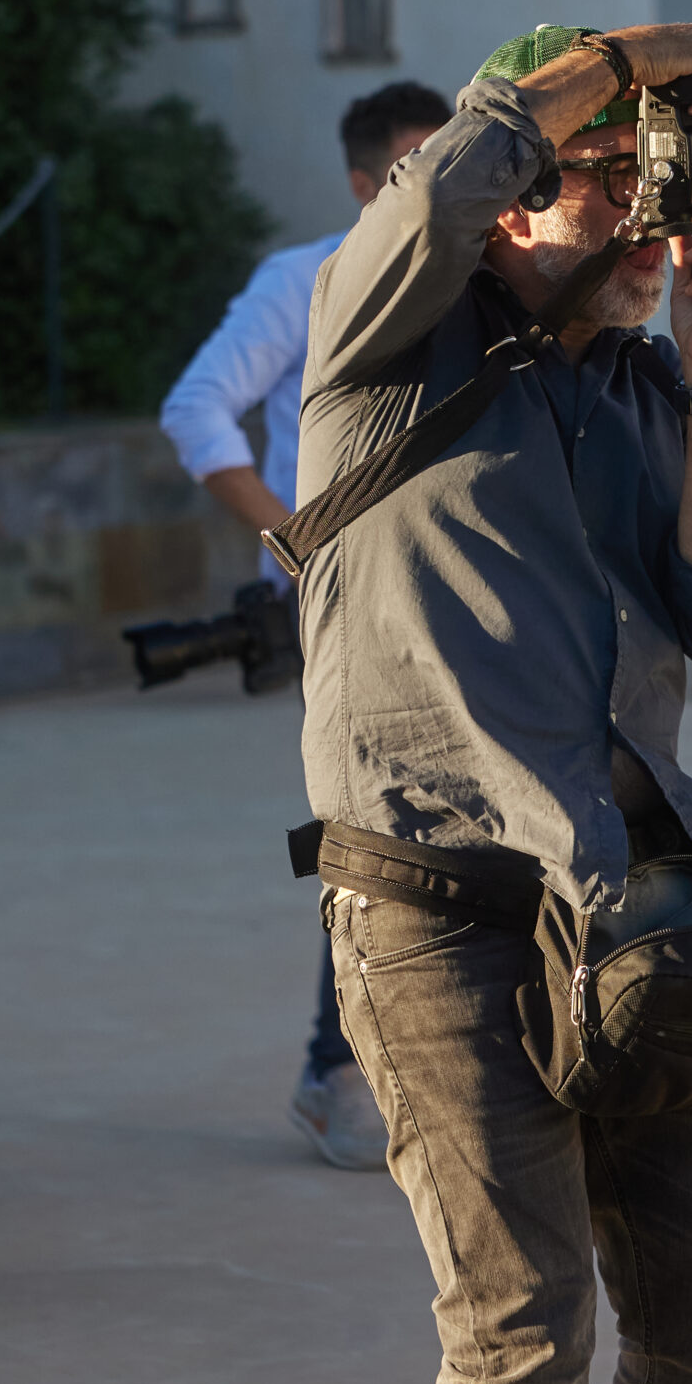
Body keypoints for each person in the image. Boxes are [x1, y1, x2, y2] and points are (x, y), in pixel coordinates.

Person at [301, 22, 692, 1384]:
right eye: (618, 172)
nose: (663, 209)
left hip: (645, 909)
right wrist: (652, 52)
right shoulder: (382, 337)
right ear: (514, 194)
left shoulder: (653, 392)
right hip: (442, 921)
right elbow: (449, 173)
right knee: (520, 1353)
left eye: (682, 177)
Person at [158, 79, 451, 1171]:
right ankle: (335, 1073)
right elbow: (195, 407)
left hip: (465, 603)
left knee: (480, 839)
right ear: (364, 180)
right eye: (417, 165)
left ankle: (442, 1065)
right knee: (380, 844)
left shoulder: (481, 278)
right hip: (348, 617)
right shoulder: (305, 281)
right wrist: (300, 544)